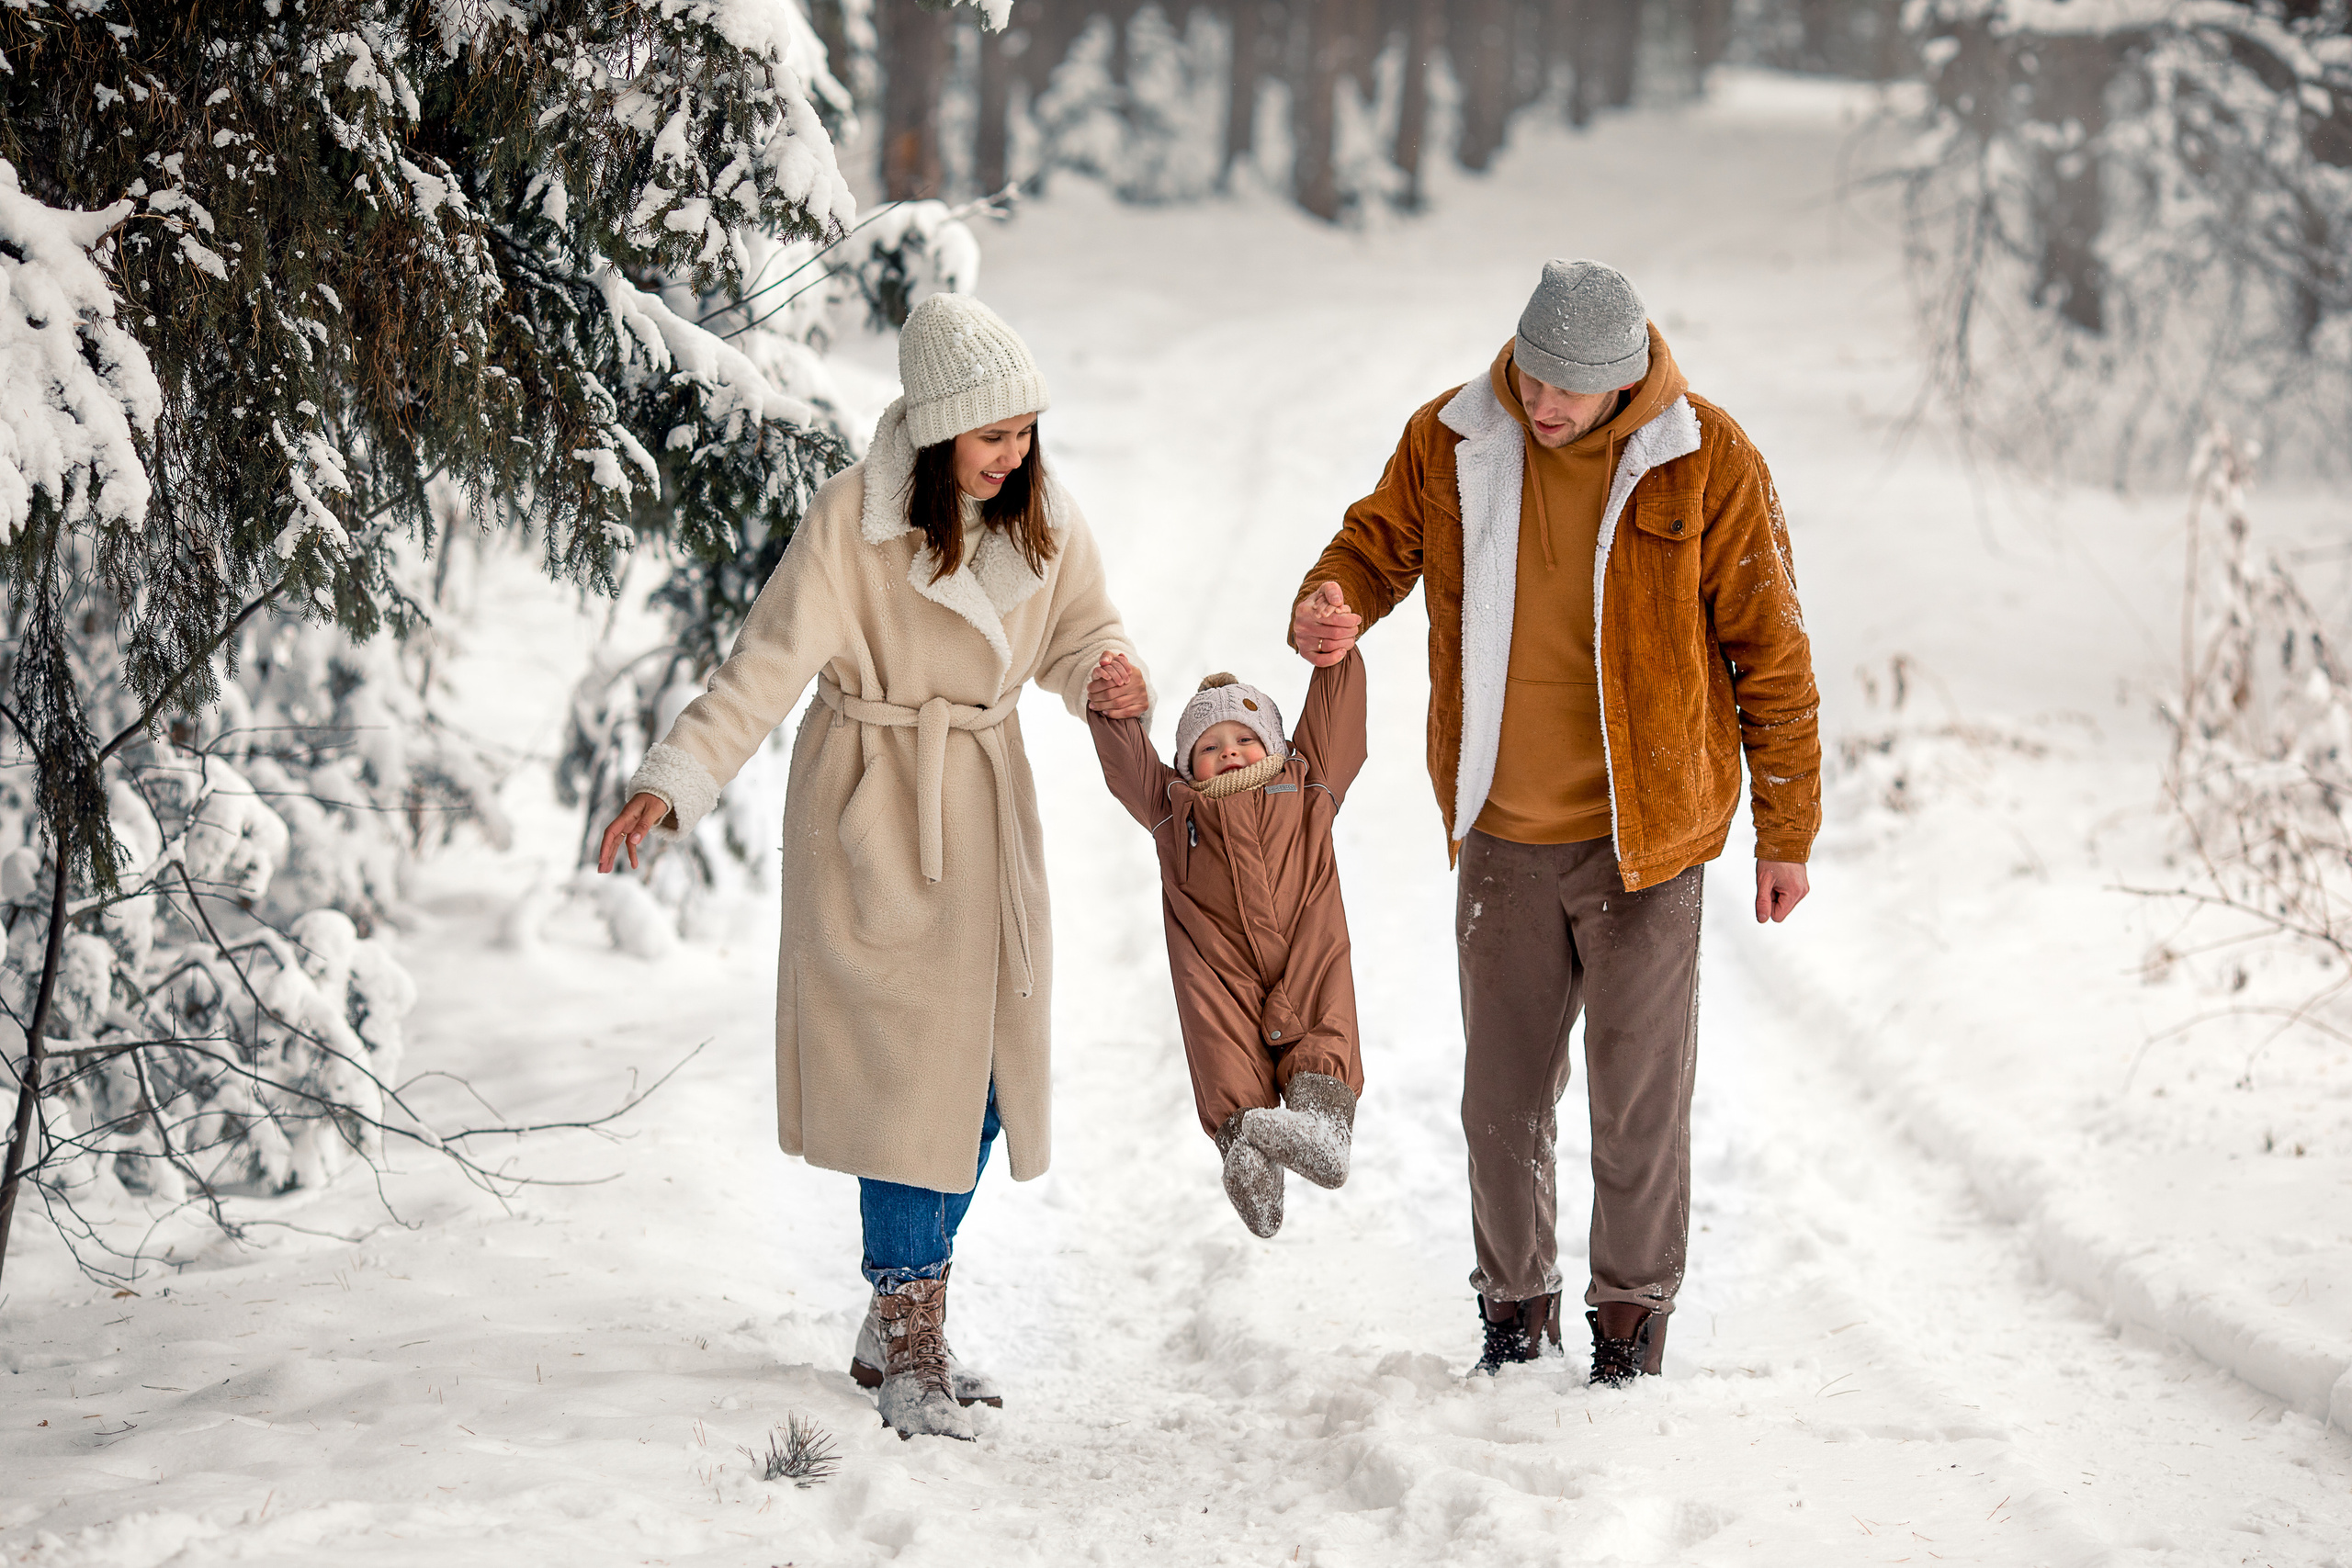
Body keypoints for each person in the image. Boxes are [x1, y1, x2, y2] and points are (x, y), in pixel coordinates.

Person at [595, 293, 1149, 1440]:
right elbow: (762, 666)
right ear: (939, 429)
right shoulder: (854, 518)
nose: (1013, 455)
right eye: (992, 435)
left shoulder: (1043, 515)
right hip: (873, 809)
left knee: (984, 1086)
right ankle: (911, 1346)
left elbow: (1082, 628)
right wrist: (674, 780)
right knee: (909, 1086)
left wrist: (1107, 674)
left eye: (1025, 430)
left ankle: (895, 1309)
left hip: (986, 810)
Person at [1286, 259, 1820, 1387]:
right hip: (1503, 831)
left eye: (1569, 390)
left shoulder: (1704, 458)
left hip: (1647, 840)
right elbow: (1376, 542)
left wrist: (1785, 829)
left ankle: (1629, 1330)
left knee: (1636, 1105)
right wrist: (1334, 597)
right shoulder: (1454, 437)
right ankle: (1513, 1321)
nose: (1544, 405)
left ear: (1627, 382)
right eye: (1533, 377)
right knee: (1501, 1102)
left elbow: (1771, 652)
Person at [1085, 649, 1367, 1236]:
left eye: (1244, 737)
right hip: (1222, 970)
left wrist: (1336, 658)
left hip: (1303, 952)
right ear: (1188, 766)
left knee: (1323, 1015)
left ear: (1276, 742)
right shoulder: (1172, 809)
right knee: (1220, 1041)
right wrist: (1112, 710)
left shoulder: (1308, 784)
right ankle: (1247, 1156)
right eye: (1208, 748)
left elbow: (1337, 722)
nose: (1229, 752)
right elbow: (1128, 765)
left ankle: (1326, 1130)